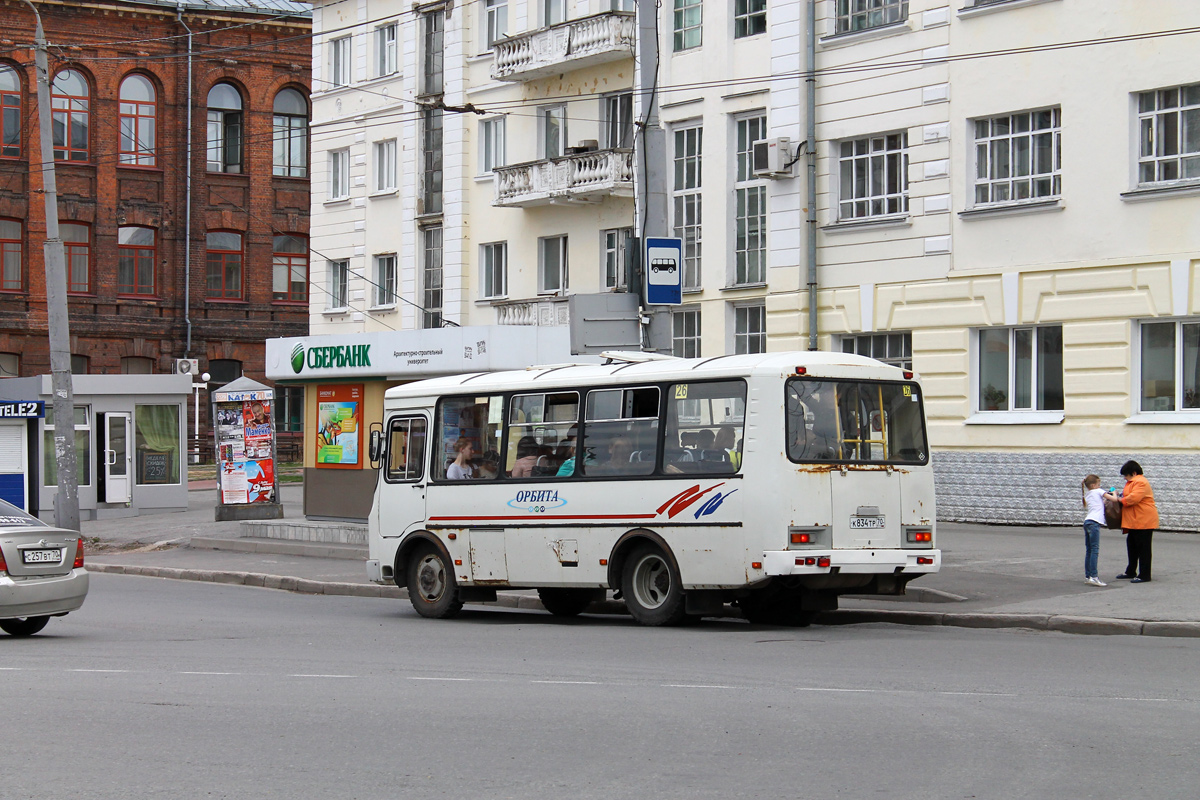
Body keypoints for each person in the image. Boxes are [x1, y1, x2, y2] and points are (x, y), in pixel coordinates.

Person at [1107, 460, 1158, 583]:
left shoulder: (1140, 482)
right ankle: (1131, 571)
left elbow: (1133, 499)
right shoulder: (1133, 482)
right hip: (1135, 520)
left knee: (1143, 548)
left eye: (1126, 475)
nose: (1125, 478)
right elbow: (1127, 495)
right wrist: (1118, 495)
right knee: (1132, 546)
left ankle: (1144, 574)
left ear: (1134, 473)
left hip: (1143, 520)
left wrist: (1118, 499)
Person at [1080, 474, 1107, 586]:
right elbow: (1114, 499)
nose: (1100, 486)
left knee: (1089, 550)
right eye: (1098, 484)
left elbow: (1100, 504)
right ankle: (1094, 576)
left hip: (1087, 522)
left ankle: (1088, 576)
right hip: (1094, 523)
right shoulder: (1099, 491)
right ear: (1093, 485)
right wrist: (1114, 493)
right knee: (1095, 550)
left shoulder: (1088, 495)